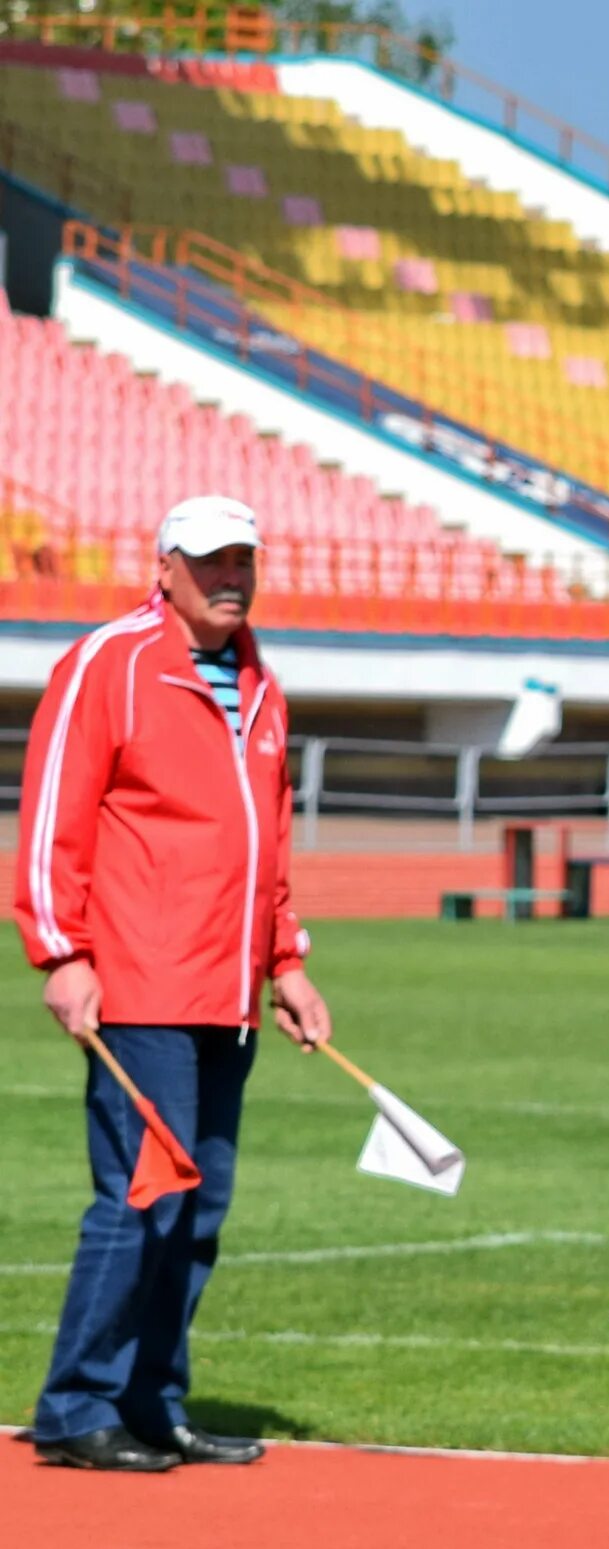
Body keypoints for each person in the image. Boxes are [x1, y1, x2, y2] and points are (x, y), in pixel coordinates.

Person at [12, 496, 331, 1472]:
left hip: (227, 988)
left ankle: (154, 1397)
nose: (230, 575)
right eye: (210, 560)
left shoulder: (259, 679)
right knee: (140, 1196)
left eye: (244, 558)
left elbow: (267, 840)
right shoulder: (108, 661)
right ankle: (77, 1405)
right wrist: (63, 951)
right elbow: (51, 813)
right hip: (141, 981)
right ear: (164, 567)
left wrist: (285, 962)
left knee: (201, 1207)